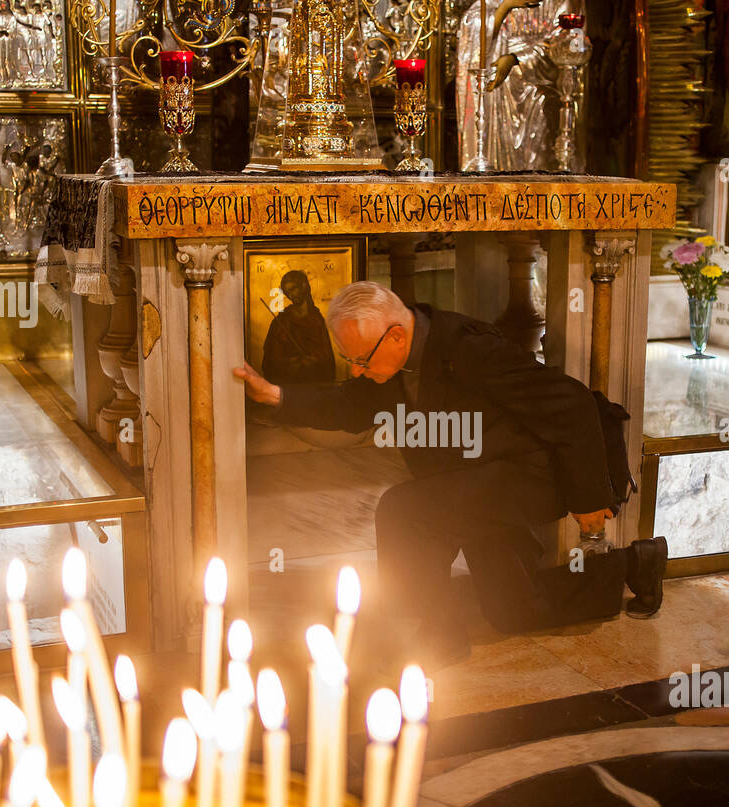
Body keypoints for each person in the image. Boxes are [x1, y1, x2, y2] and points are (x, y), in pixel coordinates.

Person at [233, 281, 668, 669]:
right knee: (513, 608)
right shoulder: (393, 359)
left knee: (406, 511)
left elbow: (572, 402)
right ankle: (635, 563)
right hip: (478, 482)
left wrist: (589, 497)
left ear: (396, 335)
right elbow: (351, 404)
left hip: (531, 473)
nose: (356, 370)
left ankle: (434, 633)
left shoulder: (468, 347)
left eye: (360, 360)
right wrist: (276, 395)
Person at [260, 271, 336, 385]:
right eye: (287, 292)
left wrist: (315, 360)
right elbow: (270, 360)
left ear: (304, 286)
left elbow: (327, 359)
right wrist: (289, 362)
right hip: (288, 386)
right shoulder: (282, 321)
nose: (291, 295)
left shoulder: (317, 319)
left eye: (293, 288)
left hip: (315, 385)